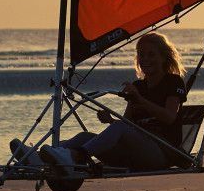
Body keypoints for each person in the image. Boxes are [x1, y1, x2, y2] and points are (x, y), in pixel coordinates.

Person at [25, 33, 189, 170]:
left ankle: (74, 157)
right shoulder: (138, 85)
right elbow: (128, 123)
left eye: (151, 54)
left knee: (118, 127)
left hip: (161, 153)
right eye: (141, 54)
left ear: (163, 57)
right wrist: (110, 120)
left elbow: (169, 117)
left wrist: (140, 100)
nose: (145, 59)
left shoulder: (173, 82)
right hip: (133, 152)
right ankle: (39, 158)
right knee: (84, 136)